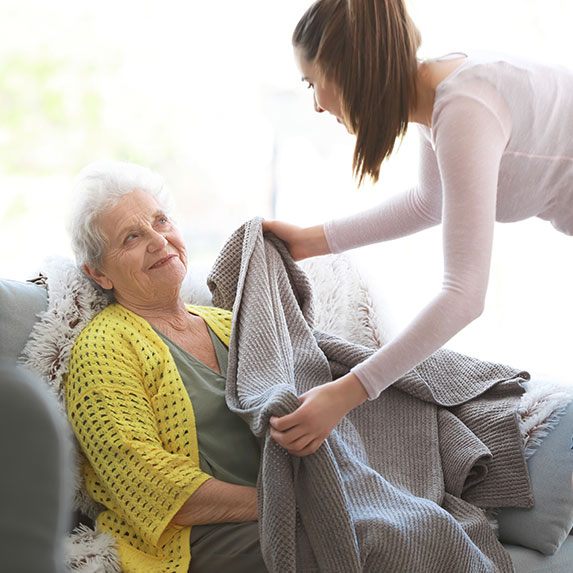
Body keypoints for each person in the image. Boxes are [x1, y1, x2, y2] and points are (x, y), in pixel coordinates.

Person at [264, 0, 573, 457]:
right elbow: (431, 202)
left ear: (348, 69)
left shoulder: (464, 106)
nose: (315, 104)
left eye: (313, 82)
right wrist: (313, 241)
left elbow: (464, 296)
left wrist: (346, 393)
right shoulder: (442, 95)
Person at [65, 160, 267, 573]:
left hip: (286, 506)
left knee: (414, 521)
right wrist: (285, 502)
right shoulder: (104, 347)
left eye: (161, 221)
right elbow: (152, 488)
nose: (160, 241)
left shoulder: (231, 324)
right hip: (198, 539)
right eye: (132, 237)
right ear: (98, 273)